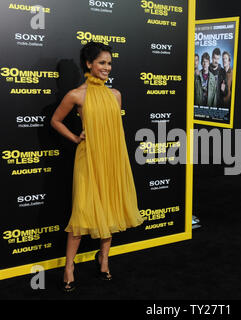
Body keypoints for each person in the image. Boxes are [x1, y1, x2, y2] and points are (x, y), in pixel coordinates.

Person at [51, 42, 144, 292]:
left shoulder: (116, 95)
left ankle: (104, 259)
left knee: (110, 207)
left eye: (109, 63)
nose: (107, 67)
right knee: (82, 212)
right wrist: (74, 137)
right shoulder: (75, 95)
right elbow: (56, 121)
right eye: (102, 62)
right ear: (89, 64)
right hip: (88, 158)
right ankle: (69, 267)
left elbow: (113, 130)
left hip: (112, 158)